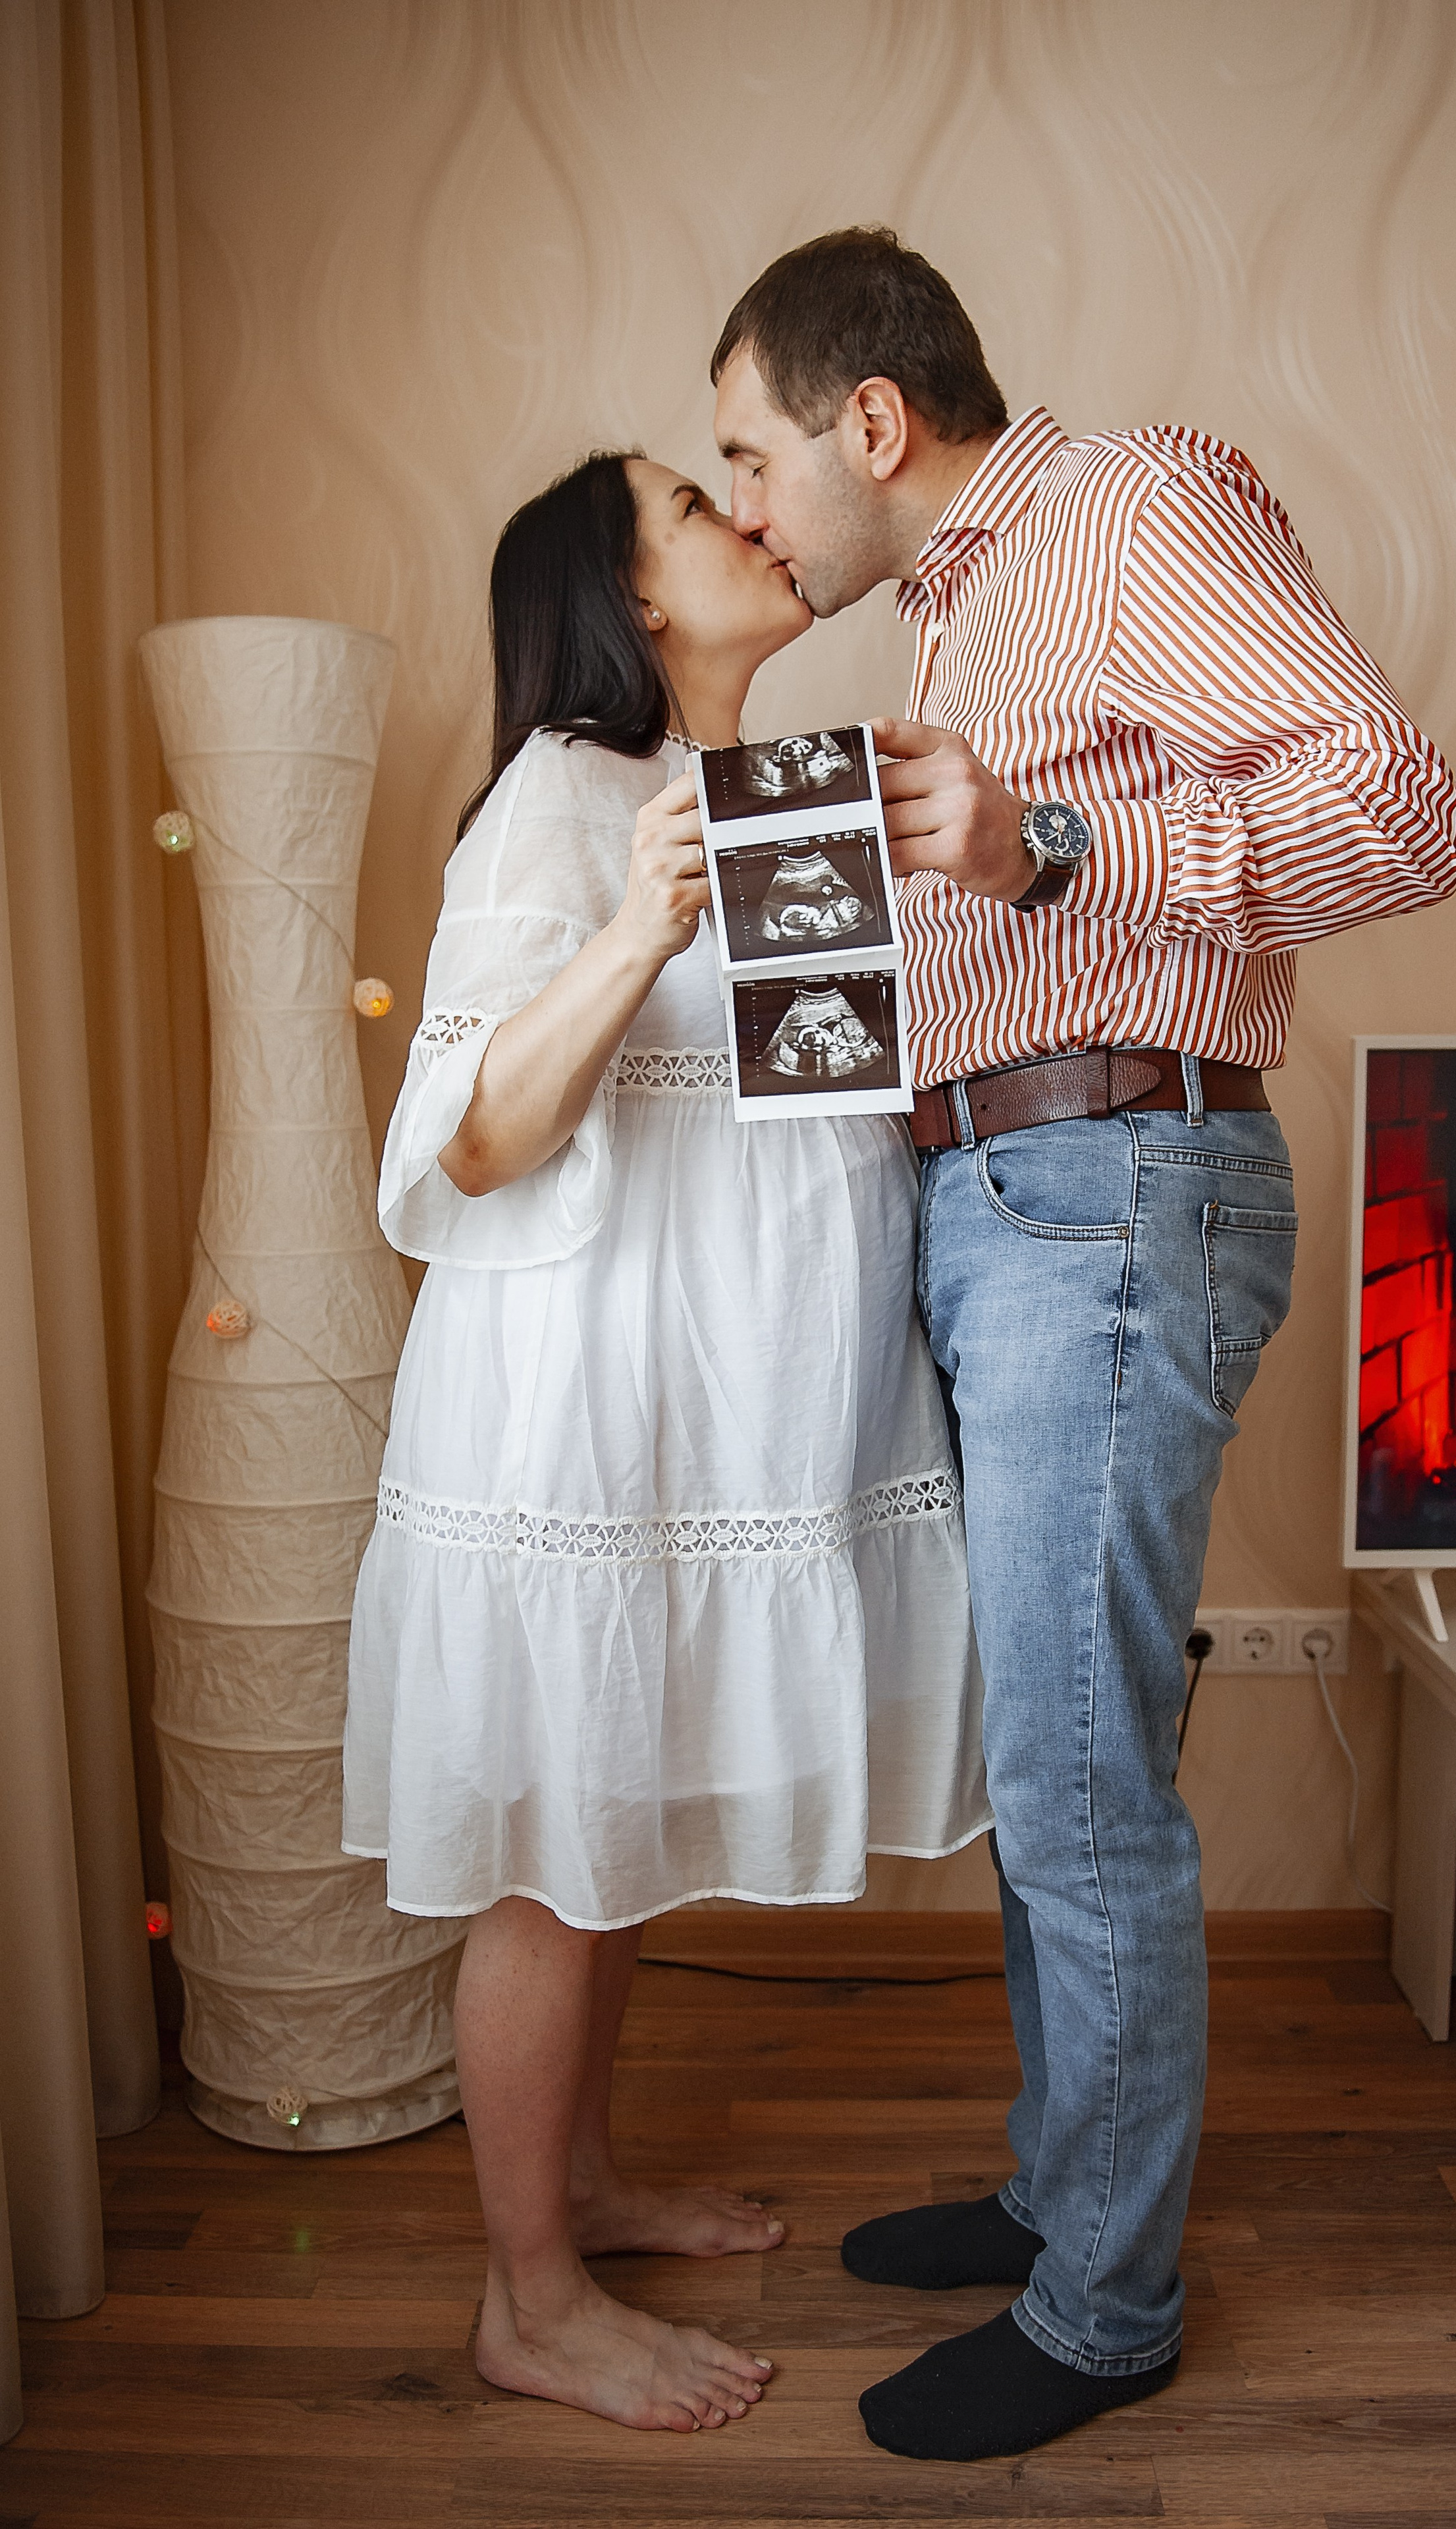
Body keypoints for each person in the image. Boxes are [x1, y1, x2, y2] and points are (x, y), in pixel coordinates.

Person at [711, 228, 1456, 2464]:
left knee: (1074, 1776)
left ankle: (1109, 2308)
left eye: (753, 456)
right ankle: (1065, 2192)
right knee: (1055, 1752)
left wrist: (1051, 838)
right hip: (1004, 1198)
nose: (747, 508)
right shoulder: (955, 615)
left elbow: (1405, 815)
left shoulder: (1128, 509)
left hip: (1110, 1192)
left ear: (872, 420)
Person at [342, 449, 988, 2435]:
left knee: (608, 1832)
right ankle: (527, 2298)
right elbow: (471, 1134)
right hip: (575, 1415)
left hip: (723, 1420)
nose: (750, 511)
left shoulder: (780, 791)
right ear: (625, 599)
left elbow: (808, 1138)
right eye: (698, 503)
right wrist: (636, 924)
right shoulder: (562, 795)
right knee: (552, 1848)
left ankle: (588, 2187)